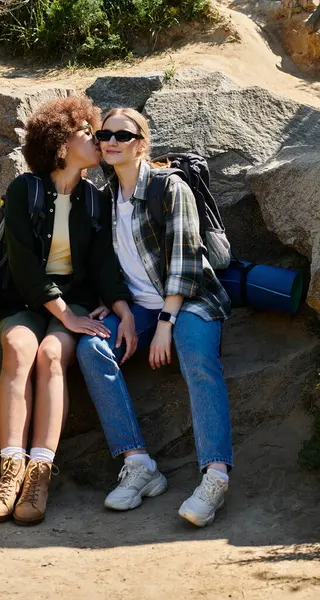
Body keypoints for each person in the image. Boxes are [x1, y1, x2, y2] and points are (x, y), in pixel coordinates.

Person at [77, 108, 233, 528]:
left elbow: (184, 263)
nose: (110, 141)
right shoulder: (103, 196)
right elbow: (105, 264)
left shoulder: (170, 187)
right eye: (104, 133)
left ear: (141, 143)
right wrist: (118, 306)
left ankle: (215, 476)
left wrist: (165, 322)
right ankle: (139, 463)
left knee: (196, 355)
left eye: (122, 135)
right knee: (91, 345)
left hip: (191, 299)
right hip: (139, 308)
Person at [0, 97, 132, 526]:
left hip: (76, 302)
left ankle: (39, 474)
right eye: (90, 133)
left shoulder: (94, 199)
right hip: (23, 299)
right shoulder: (22, 190)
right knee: (19, 348)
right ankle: (10, 469)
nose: (101, 140)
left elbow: (104, 264)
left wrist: (121, 309)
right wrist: (64, 314)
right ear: (62, 144)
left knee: (52, 355)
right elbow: (24, 264)